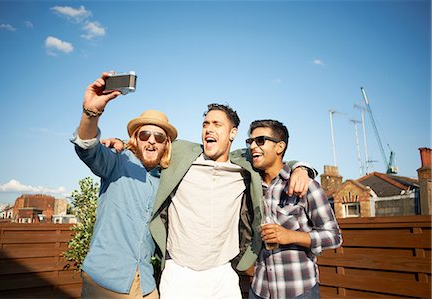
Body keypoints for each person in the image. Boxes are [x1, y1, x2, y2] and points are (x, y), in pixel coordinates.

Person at [147, 104, 317, 299]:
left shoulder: (244, 166)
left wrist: (302, 167)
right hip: (179, 272)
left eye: (217, 124)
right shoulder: (181, 154)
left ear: (232, 133)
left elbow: (275, 159)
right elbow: (148, 145)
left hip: (222, 275)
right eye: (205, 124)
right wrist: (120, 142)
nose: (209, 129)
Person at [71, 72, 177, 298]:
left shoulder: (167, 180)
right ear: (135, 139)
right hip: (104, 282)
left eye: (159, 137)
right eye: (145, 134)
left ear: (166, 144)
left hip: (147, 284)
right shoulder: (117, 161)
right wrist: (91, 112)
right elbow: (87, 148)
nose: (151, 140)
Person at [246, 119, 342, 299]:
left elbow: (334, 236)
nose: (252, 146)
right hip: (259, 290)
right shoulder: (251, 186)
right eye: (250, 141)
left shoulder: (305, 185)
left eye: (260, 141)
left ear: (279, 147)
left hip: (299, 291)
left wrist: (290, 236)